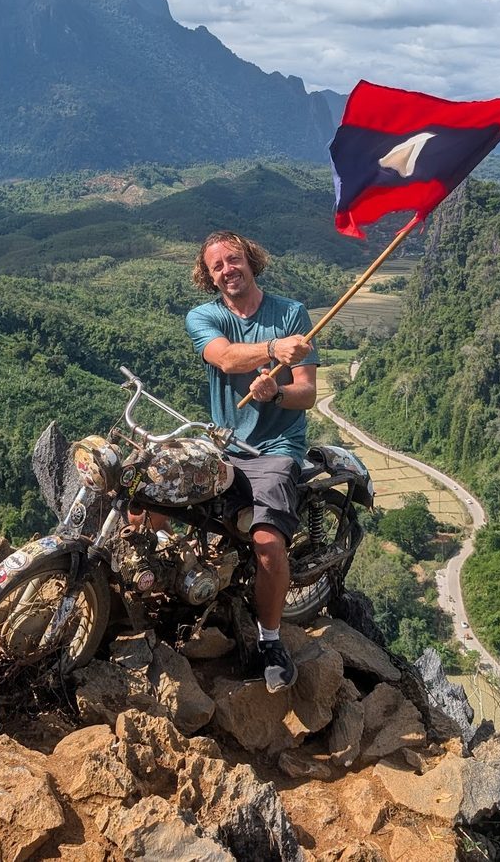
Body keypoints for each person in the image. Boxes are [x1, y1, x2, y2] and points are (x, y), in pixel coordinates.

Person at [184, 229, 318, 692]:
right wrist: (271, 350)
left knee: (267, 544)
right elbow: (222, 358)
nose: (227, 269)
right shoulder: (204, 316)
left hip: (275, 450)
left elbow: (307, 394)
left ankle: (270, 638)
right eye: (217, 265)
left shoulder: (291, 314)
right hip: (224, 444)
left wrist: (278, 391)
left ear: (251, 261)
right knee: (154, 502)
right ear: (209, 275)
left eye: (234, 259)